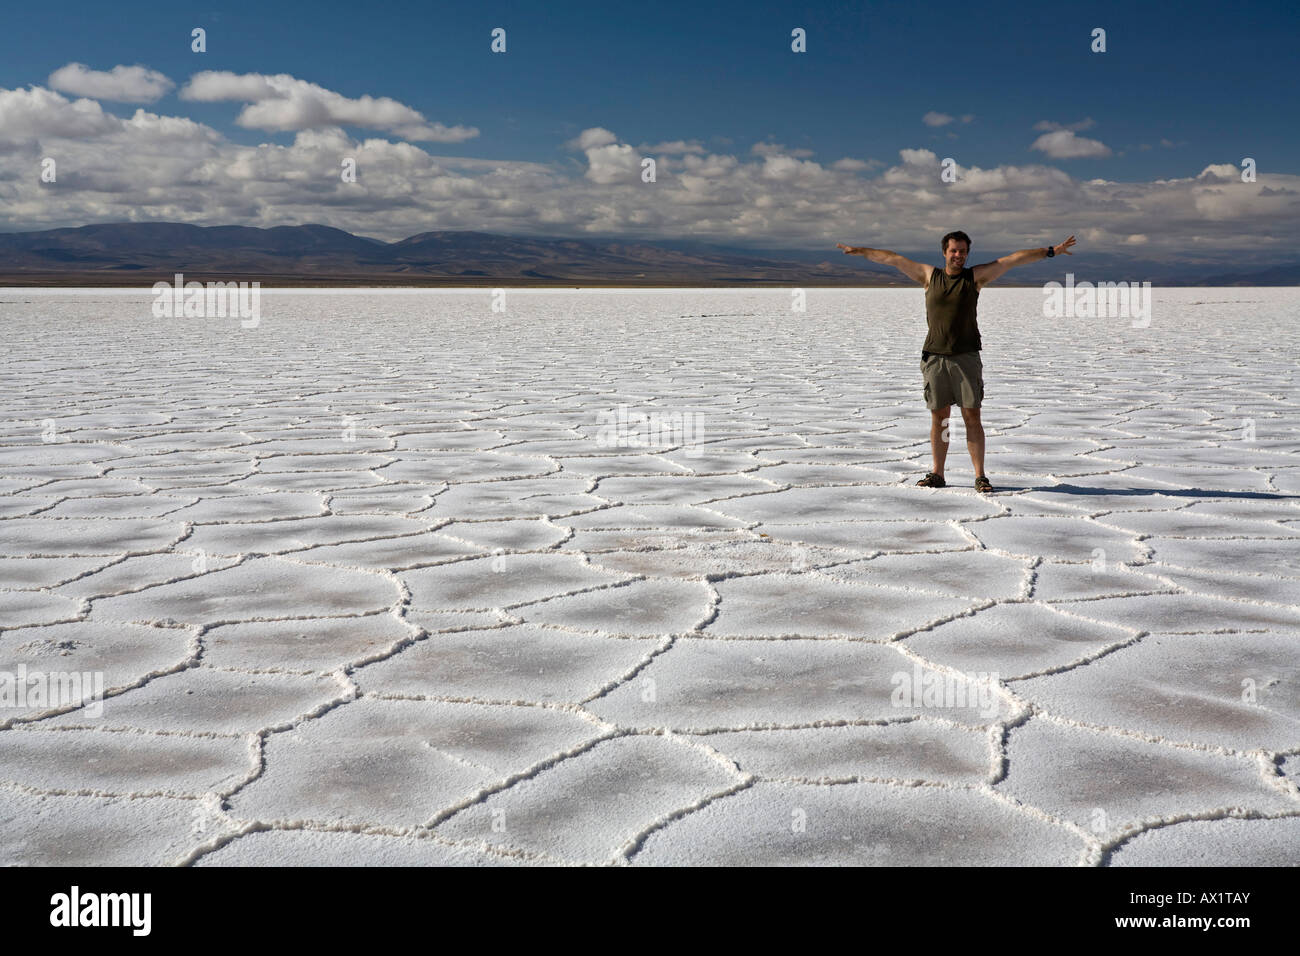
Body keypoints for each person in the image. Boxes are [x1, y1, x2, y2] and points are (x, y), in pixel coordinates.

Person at [836, 231, 1076, 492]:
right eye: (954, 250)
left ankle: (980, 476)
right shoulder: (929, 276)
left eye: (963, 251)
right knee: (941, 419)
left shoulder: (975, 278)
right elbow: (893, 259)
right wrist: (860, 251)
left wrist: (1051, 251)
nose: (959, 255)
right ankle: (938, 473)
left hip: (966, 357)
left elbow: (1013, 260)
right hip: (935, 357)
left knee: (972, 416)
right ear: (944, 252)